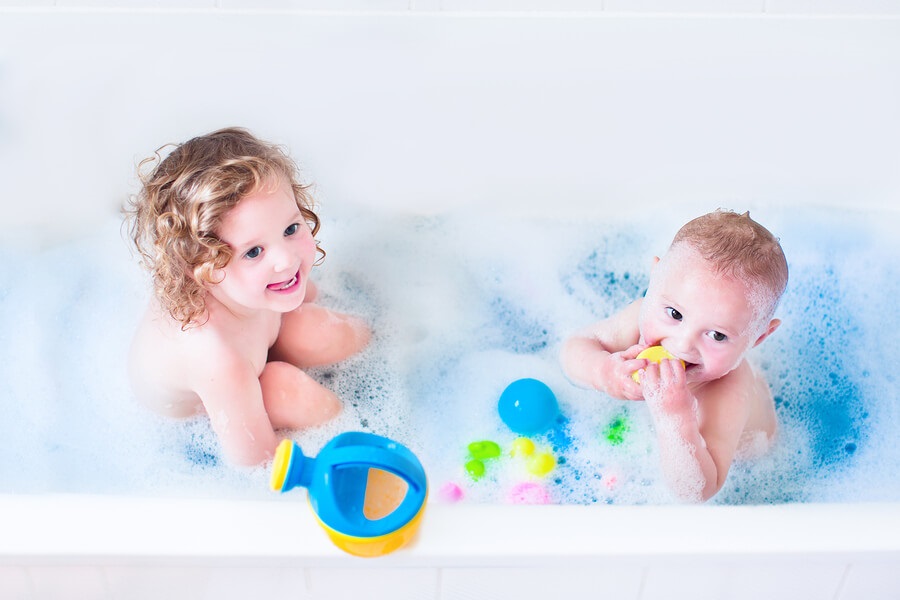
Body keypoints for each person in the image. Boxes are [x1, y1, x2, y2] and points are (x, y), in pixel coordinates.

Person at [126, 127, 370, 466]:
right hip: (219, 402)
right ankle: (361, 440)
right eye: (254, 251)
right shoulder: (216, 358)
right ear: (206, 271)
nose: (286, 260)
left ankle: (393, 354)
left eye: (290, 229)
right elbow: (254, 461)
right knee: (289, 392)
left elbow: (306, 294)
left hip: (251, 346)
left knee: (327, 331)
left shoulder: (259, 281)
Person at [561, 210, 788, 502]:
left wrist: (675, 418)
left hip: (752, 458)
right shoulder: (637, 318)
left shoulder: (729, 389)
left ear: (758, 338)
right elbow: (574, 348)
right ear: (654, 279)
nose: (682, 344)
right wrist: (603, 372)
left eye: (717, 335)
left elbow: (698, 491)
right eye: (675, 314)